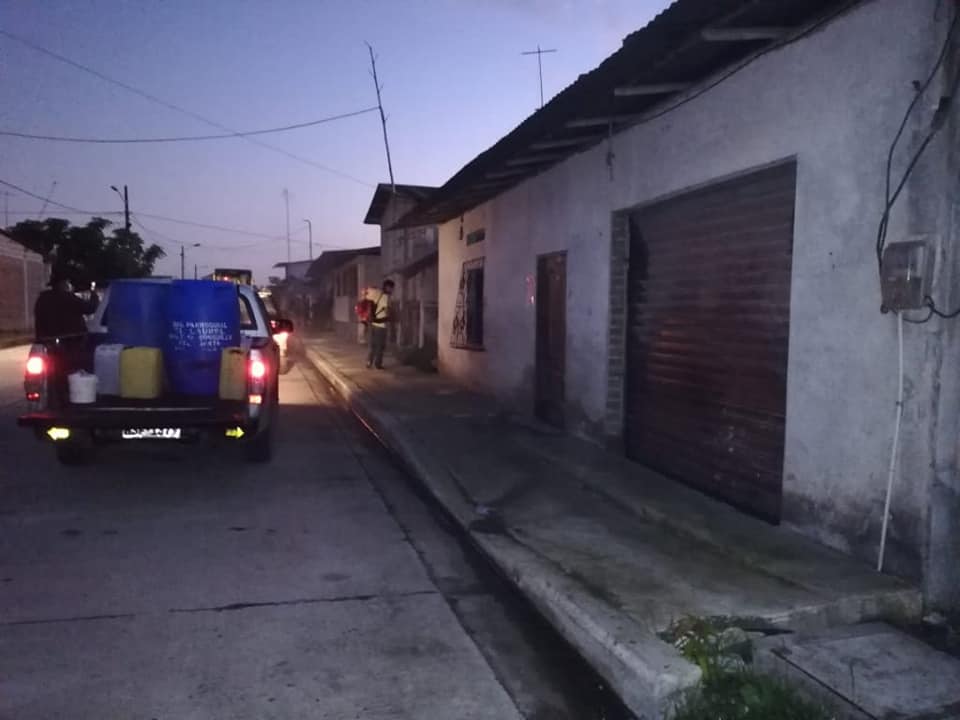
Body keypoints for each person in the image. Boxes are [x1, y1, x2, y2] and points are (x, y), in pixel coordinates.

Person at [34, 273, 99, 340]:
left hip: (47, 339)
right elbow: (91, 308)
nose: (69, 285)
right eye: (68, 283)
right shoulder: (68, 298)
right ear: (62, 284)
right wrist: (94, 293)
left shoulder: (42, 299)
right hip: (70, 339)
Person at [367, 279, 394, 369]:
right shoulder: (386, 297)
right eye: (391, 288)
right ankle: (378, 364)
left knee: (373, 344)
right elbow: (387, 311)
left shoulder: (377, 294)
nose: (392, 290)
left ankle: (369, 362)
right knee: (380, 346)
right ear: (387, 287)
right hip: (381, 325)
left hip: (373, 324)